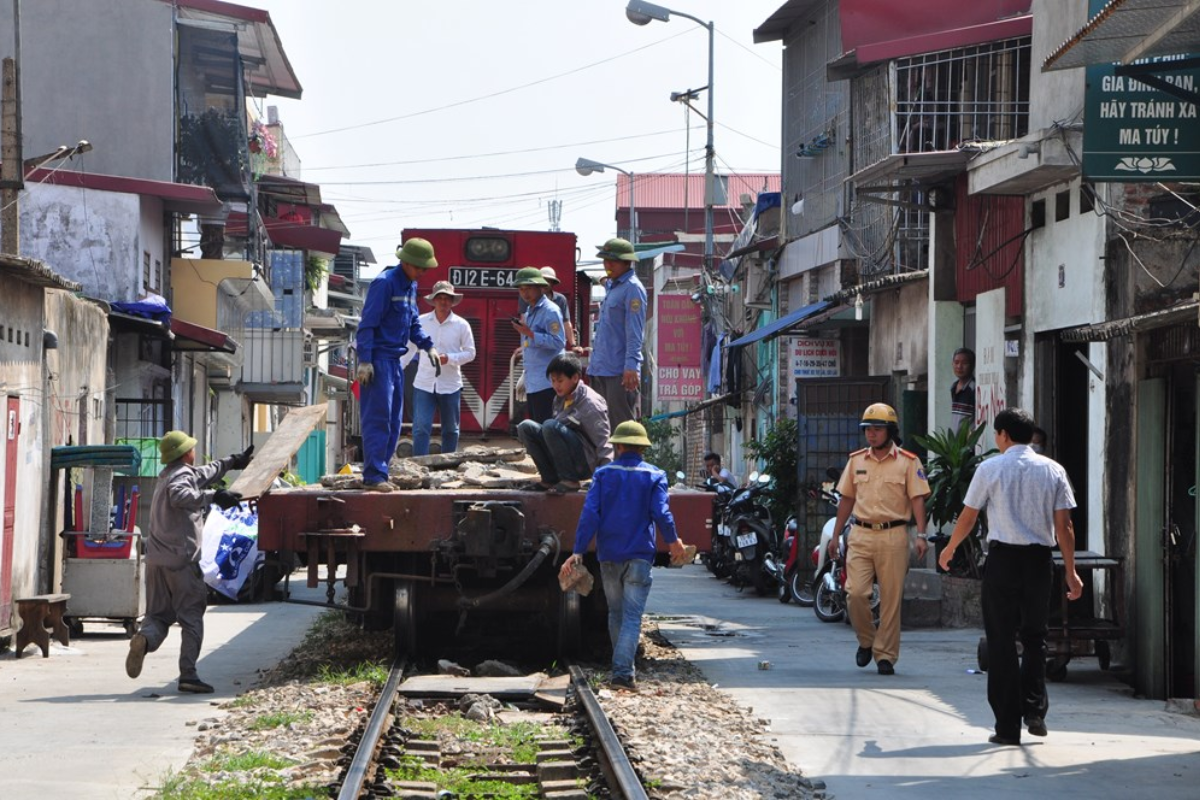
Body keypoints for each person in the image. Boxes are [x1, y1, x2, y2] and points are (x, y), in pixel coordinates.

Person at [938, 408, 1082, 746]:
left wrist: (949, 549)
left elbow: (968, 517)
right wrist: (1072, 572)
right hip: (1038, 561)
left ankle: (1007, 727)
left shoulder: (989, 468)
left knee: (1001, 641)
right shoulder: (1053, 470)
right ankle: (1034, 711)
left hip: (1002, 560)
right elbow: (1065, 526)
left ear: (1002, 435)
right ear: (1031, 435)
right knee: (1035, 637)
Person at [559, 420, 687, 690]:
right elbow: (661, 513)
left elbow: (590, 515)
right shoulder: (655, 475)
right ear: (643, 448)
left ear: (617, 445)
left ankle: (623, 671)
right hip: (640, 555)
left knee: (616, 613)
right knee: (631, 616)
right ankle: (622, 674)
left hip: (609, 556)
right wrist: (673, 541)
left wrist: (579, 550)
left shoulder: (603, 475)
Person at [126, 431, 252, 694]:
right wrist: (213, 497)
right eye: (192, 448)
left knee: (157, 616)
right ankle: (188, 675)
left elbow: (206, 472)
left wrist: (233, 461)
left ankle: (144, 640)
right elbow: (179, 495)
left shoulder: (169, 474)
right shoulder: (180, 479)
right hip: (181, 562)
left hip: (157, 561)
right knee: (192, 617)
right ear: (186, 453)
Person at [830, 403, 930, 675]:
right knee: (855, 593)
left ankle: (885, 655)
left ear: (890, 431)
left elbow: (918, 499)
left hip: (894, 535)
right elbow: (846, 498)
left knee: (891, 599)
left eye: (877, 429)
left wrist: (921, 535)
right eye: (867, 429)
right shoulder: (857, 460)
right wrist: (836, 534)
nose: (871, 434)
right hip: (860, 534)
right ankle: (866, 640)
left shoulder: (908, 462)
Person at [356, 238, 441, 491]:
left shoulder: (410, 286)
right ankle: (373, 476)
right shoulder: (384, 284)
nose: (423, 272)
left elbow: (413, 322)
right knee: (378, 419)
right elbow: (367, 324)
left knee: (393, 422)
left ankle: (382, 471)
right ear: (404, 261)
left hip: (395, 362)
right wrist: (365, 360)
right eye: (419, 267)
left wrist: (427, 345)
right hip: (378, 360)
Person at [517, 352, 612, 494]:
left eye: (560, 381)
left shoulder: (591, 403)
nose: (556, 385)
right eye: (553, 381)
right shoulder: (559, 398)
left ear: (575, 378)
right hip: (566, 456)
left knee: (550, 426)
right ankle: (549, 479)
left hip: (585, 462)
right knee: (526, 427)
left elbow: (603, 442)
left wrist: (606, 479)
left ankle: (571, 481)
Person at [401, 280, 476, 456]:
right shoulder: (420, 321)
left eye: (447, 298)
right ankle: (419, 465)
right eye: (440, 298)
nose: (443, 302)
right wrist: (398, 368)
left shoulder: (462, 324)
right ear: (434, 300)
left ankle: (448, 466)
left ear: (452, 301)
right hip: (424, 383)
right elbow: (410, 348)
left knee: (451, 430)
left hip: (450, 385)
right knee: (420, 428)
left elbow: (471, 353)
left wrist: (449, 358)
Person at [587, 237, 646, 429]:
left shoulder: (633, 289)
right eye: (605, 260)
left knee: (622, 428)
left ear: (626, 262)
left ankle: (625, 460)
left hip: (619, 371)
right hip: (601, 368)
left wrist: (631, 366)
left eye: (612, 261)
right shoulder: (612, 286)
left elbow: (635, 331)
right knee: (601, 427)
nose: (607, 265)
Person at [512, 266, 565, 424]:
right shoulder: (530, 312)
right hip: (533, 381)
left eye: (529, 288)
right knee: (537, 426)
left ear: (540, 288)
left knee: (546, 426)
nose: (525, 293)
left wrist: (530, 333)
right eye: (521, 289)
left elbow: (559, 341)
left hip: (548, 382)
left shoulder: (551, 310)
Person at [518, 266, 576, 350]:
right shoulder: (526, 298)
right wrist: (524, 346)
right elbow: (524, 323)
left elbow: (566, 324)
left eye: (549, 281)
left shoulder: (559, 302)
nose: (545, 283)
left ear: (552, 283)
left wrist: (573, 345)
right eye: (543, 280)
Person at [950, 347, 976, 430]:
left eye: (964, 363)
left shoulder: (973, 388)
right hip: (956, 442)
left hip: (969, 441)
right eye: (956, 362)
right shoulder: (954, 387)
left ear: (972, 365)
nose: (959, 366)